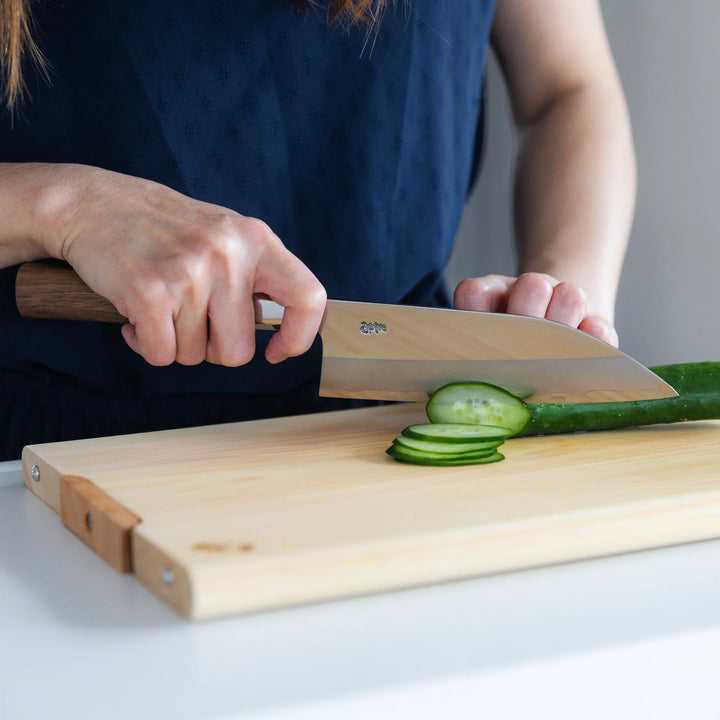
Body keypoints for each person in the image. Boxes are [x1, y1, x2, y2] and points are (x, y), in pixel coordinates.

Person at [0, 0, 635, 460]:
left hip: (403, 424)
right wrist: (62, 205)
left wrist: (565, 313)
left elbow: (568, 89)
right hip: (38, 450)